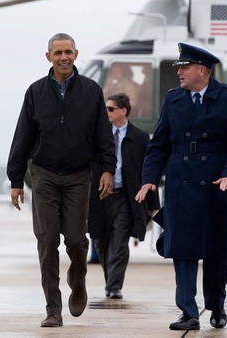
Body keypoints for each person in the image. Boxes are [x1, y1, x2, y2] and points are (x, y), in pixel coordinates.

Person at [135, 43, 227, 331]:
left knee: (217, 252)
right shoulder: (174, 100)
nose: (179, 72)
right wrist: (149, 178)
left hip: (217, 186)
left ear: (201, 70)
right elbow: (159, 145)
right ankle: (188, 311)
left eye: (184, 67)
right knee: (183, 250)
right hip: (181, 186)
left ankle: (216, 304)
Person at [7, 33, 116, 328]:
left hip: (79, 175)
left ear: (76, 54)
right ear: (48, 57)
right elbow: (22, 137)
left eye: (68, 51)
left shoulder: (91, 91)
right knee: (46, 240)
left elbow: (103, 135)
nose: (63, 57)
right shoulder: (35, 92)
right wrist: (16, 179)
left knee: (77, 241)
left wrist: (107, 168)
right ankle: (53, 308)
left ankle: (78, 279)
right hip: (43, 174)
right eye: (58, 53)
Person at [88, 92, 160, 300]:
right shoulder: (97, 136)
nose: (106, 113)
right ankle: (110, 281)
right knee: (101, 241)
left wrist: (152, 203)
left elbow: (149, 171)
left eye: (110, 109)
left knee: (119, 241)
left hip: (126, 198)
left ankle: (114, 286)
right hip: (100, 196)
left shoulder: (140, 137)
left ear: (123, 111)